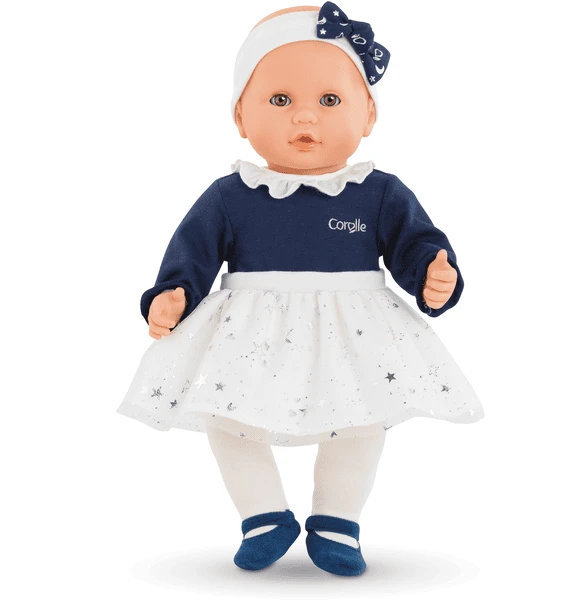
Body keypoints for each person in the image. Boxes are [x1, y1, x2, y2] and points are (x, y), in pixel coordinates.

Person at [116, 2, 484, 576]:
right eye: (280, 100)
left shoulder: (378, 192)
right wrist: (173, 294)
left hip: (355, 333)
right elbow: (192, 253)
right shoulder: (231, 195)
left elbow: (415, 244)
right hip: (248, 335)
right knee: (226, 418)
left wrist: (433, 275)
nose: (304, 116)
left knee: (362, 420)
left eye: (330, 100)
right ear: (241, 116)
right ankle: (263, 513)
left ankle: (338, 518)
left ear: (368, 114)